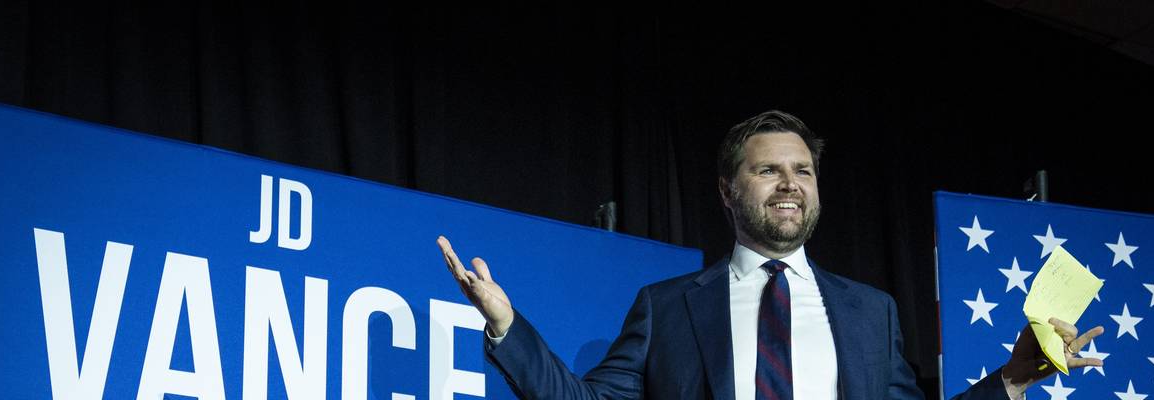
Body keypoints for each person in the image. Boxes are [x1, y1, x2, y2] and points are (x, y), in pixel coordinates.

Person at [436, 110, 1104, 399]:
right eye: (767, 171)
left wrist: (1013, 378)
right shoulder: (668, 310)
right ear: (728, 193)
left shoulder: (872, 314)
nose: (789, 182)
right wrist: (507, 327)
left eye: (802, 170)